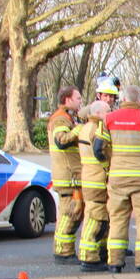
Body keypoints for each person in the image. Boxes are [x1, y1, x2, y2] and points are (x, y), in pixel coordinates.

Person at [93, 85, 140, 273]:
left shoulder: (109, 119)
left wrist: (108, 166)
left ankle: (115, 263)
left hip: (117, 178)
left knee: (117, 219)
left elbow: (98, 149)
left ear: (122, 100)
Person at [47, 85, 84, 264]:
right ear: (67, 99)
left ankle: (66, 250)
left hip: (71, 175)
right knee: (70, 212)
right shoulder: (61, 119)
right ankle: (63, 252)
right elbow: (61, 140)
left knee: (73, 213)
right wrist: (79, 130)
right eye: (78, 98)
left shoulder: (67, 117)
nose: (80, 101)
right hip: (68, 175)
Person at [76, 100, 111, 270]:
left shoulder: (86, 127)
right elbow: (103, 152)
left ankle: (97, 253)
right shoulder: (97, 129)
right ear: (98, 113)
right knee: (95, 217)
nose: (110, 114)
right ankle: (89, 258)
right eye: (108, 111)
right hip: (97, 179)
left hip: (90, 178)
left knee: (96, 216)